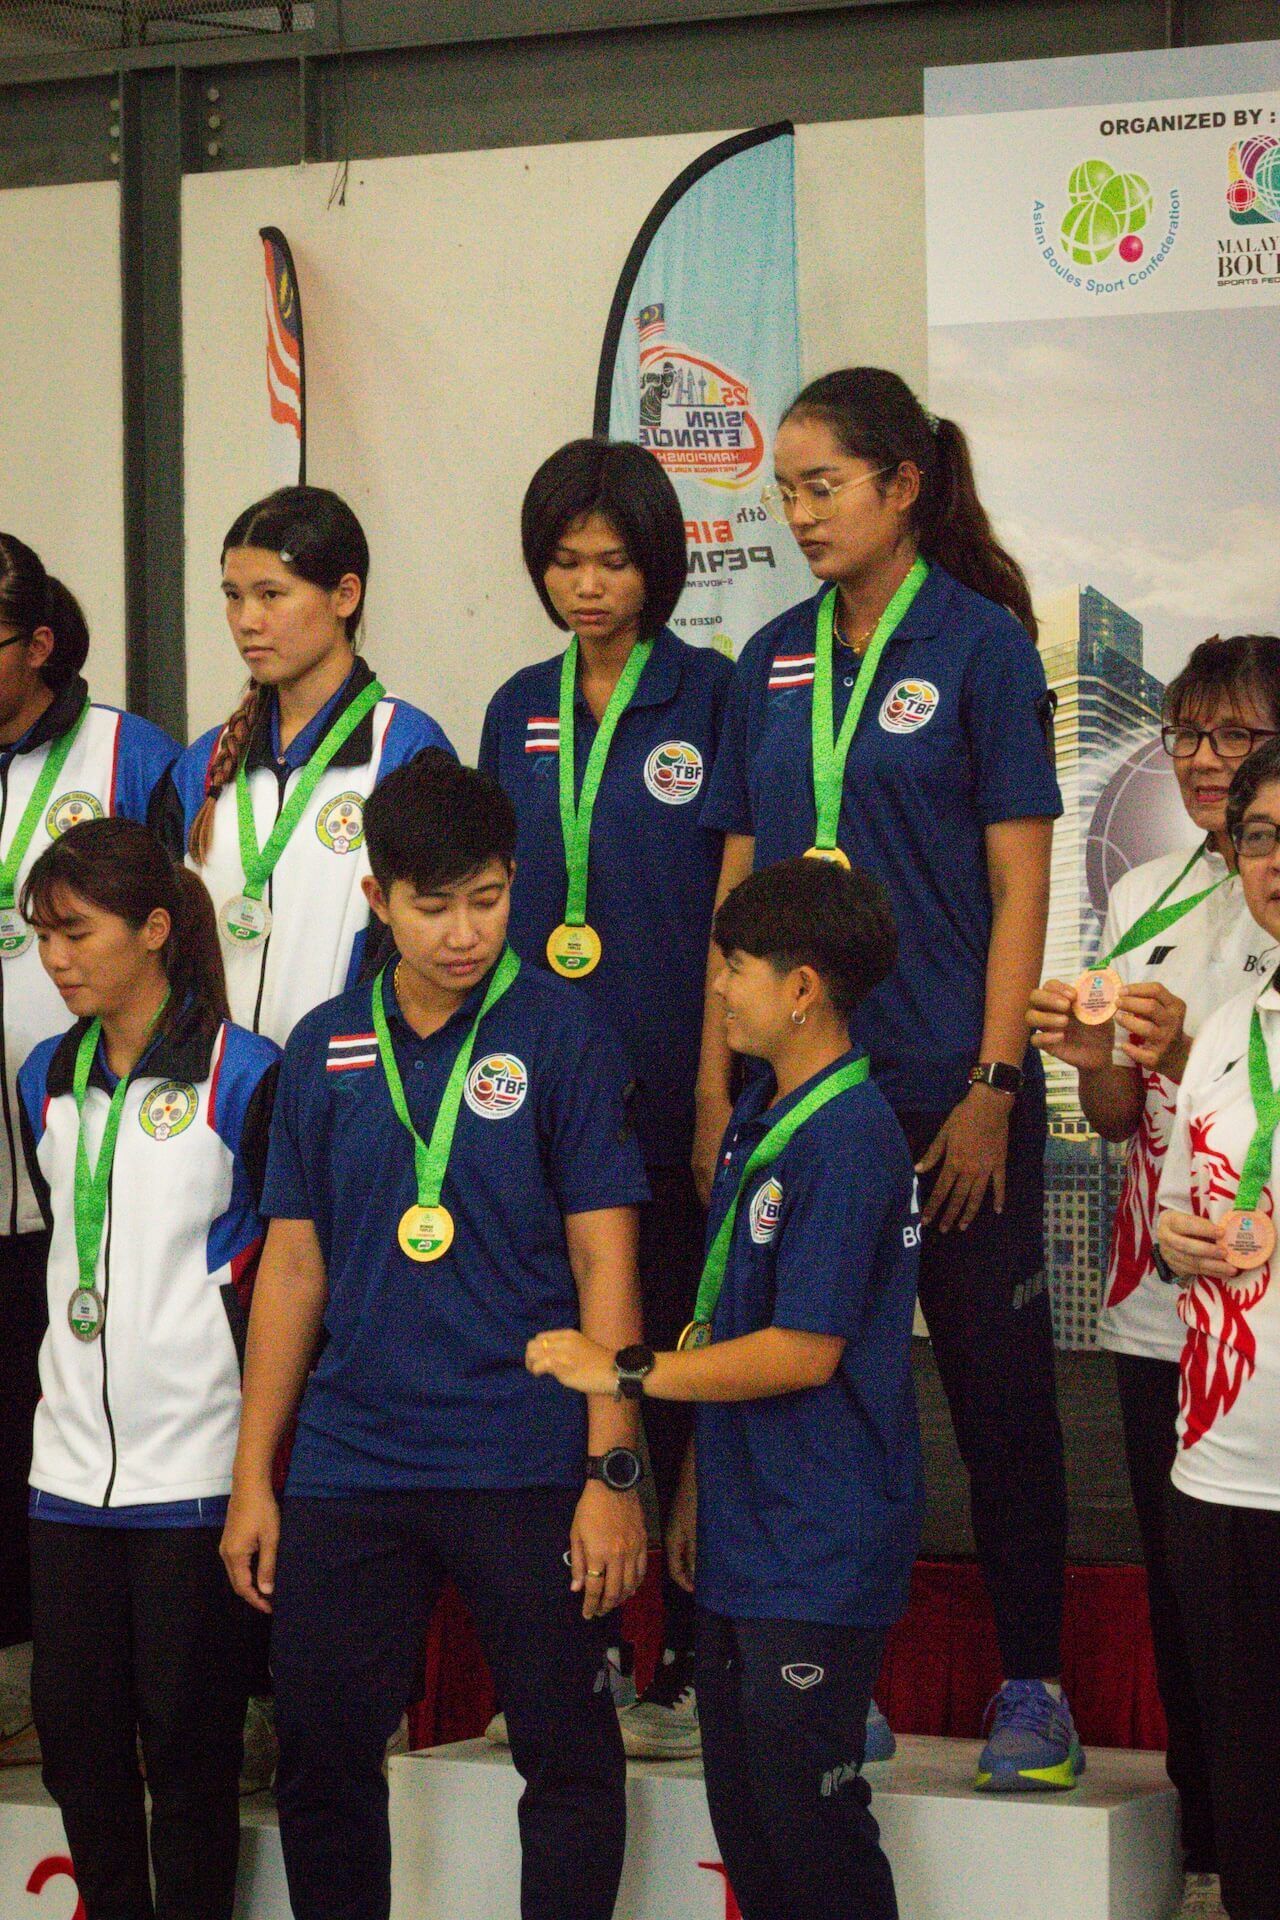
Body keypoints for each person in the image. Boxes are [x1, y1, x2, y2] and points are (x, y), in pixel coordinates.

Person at [698, 367, 1073, 1790]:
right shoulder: (770, 659)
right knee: (814, 1397)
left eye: (823, 487)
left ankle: (1032, 1684)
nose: (799, 515)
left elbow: (1019, 882)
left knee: (994, 1393)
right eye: (784, 492)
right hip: (801, 1101)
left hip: (945, 1088)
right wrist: (713, 1084)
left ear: (902, 486)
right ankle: (831, 1677)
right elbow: (740, 881)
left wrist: (993, 1079)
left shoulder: (980, 647)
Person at [220, 749, 651, 1920]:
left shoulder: (563, 1034)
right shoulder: (321, 1047)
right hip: (352, 1463)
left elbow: (605, 1263)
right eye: (432, 906)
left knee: (566, 1757)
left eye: (487, 899)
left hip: (524, 1459)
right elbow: (291, 1271)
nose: (464, 933)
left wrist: (611, 1471)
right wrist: (255, 1476)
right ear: (376, 898)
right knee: (319, 1757)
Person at [529, 855, 922, 1920]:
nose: (717, 987)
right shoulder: (760, 1115)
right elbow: (735, 1319)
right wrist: (697, 1482)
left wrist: (623, 1368)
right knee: (748, 1823)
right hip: (749, 1528)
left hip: (820, 1539)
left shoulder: (848, 1135)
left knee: (809, 1825)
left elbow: (803, 1351)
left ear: (801, 988)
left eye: (735, 966)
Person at [479, 438, 732, 1756]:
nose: (587, 586)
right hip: (540, 1103)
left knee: (669, 1371)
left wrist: (716, 1088)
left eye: (613, 562)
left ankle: (683, 1657)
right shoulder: (516, 707)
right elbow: (485, 906)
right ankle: (575, 1656)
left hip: (672, 1091)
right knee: (555, 1374)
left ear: (658, 566)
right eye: (565, 562)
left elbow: (736, 910)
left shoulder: (712, 695)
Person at [1028, 633, 1280, 1901]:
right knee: (1188, 1601)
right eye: (1184, 733)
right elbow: (1124, 1116)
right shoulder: (1143, 891)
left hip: (1256, 1313)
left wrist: (1183, 1051)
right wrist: (1093, 1061)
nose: (1199, 760)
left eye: (1232, 736)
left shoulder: (1268, 896)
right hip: (1156, 1303)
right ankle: (1205, 1847)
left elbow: (1246, 1091)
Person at [16, 817, 280, 1920]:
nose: (55, 958)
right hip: (69, 1473)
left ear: (157, 929)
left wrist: (258, 1468)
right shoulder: (44, 1075)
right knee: (76, 1748)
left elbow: (279, 1277)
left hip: (196, 1472)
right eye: (43, 936)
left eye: (76, 933)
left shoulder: (244, 1075)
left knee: (189, 1754)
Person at [0, 535, 177, 1760]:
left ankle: (149, 1695)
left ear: (38, 644)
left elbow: (187, 920)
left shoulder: (129, 755)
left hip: (101, 1153)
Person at [153, 484, 454, 1047]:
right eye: (234, 596)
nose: (247, 620)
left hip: (348, 1078)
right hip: (216, 1086)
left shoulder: (407, 751)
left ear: (345, 595)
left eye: (271, 594)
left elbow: (428, 944)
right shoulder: (201, 765)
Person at [1155, 733, 1280, 1920]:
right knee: (1246, 1792)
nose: (1274, 861)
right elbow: (1177, 1213)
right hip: (1217, 1470)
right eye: (1258, 838)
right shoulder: (1228, 1026)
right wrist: (1172, 1240)